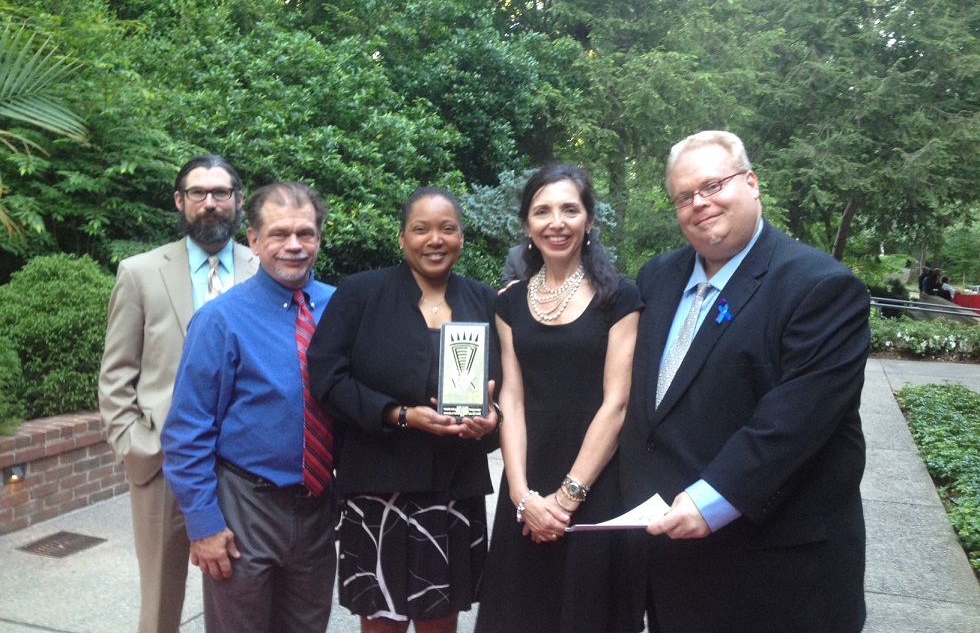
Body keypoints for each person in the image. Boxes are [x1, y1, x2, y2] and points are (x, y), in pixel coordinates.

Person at [620, 131, 870, 632]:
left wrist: (712, 499)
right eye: (685, 196)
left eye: (713, 185)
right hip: (675, 567)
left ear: (751, 183)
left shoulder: (820, 287)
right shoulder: (658, 277)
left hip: (776, 576)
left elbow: (794, 424)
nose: (700, 203)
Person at [307, 186, 501, 633]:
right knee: (382, 621)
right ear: (401, 238)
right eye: (421, 229)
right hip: (378, 490)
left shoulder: (484, 301)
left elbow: (505, 392)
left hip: (452, 490)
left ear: (461, 238)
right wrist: (397, 414)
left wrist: (490, 424)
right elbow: (326, 379)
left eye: (447, 228)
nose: (435, 239)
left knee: (441, 622)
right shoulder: (361, 294)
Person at [161, 182, 338, 633]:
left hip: (319, 506)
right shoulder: (220, 320)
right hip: (244, 506)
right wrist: (203, 524)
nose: (294, 246)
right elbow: (186, 432)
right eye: (279, 234)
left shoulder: (341, 310)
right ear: (254, 241)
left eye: (306, 233)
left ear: (320, 237)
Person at [475, 163, 642, 633]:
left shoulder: (620, 298)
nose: (557, 222)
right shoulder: (508, 303)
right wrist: (520, 494)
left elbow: (618, 403)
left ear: (589, 220)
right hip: (527, 487)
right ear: (528, 224)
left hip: (596, 483)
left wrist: (567, 499)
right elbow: (513, 398)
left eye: (570, 209)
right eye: (542, 211)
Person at [98, 154, 257, 633]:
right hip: (164, 460)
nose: (210, 204)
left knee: (243, 593)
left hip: (246, 466)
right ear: (179, 201)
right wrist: (135, 447)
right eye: (197, 194)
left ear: (239, 200)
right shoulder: (140, 272)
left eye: (221, 193)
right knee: (161, 602)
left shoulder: (265, 268)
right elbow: (116, 373)